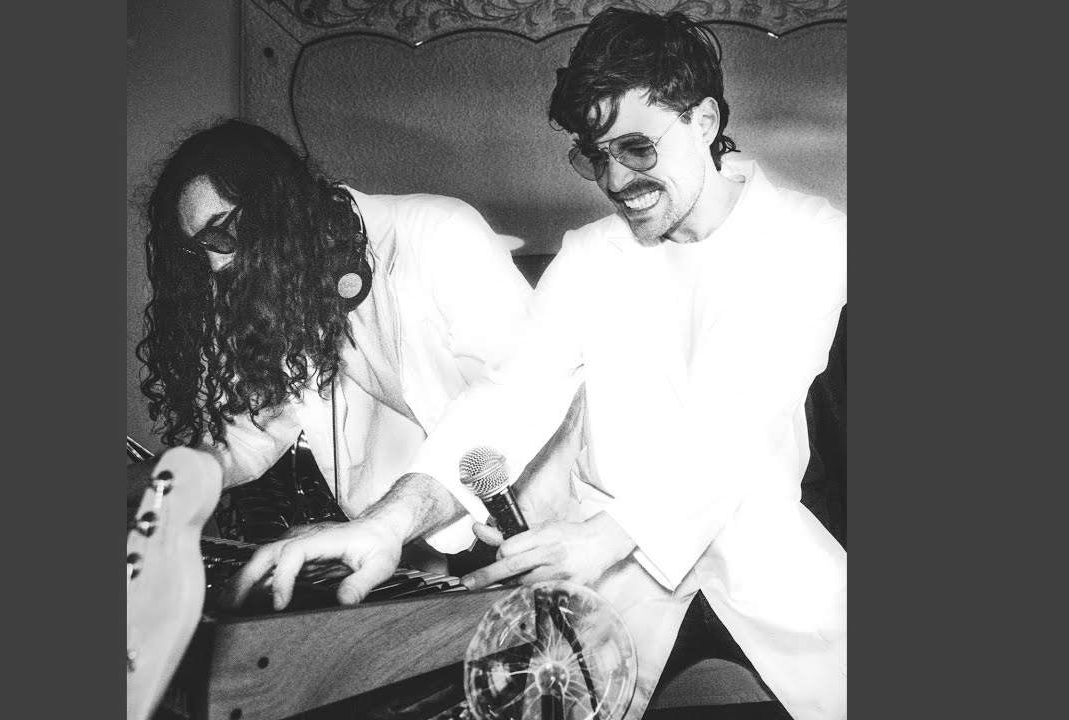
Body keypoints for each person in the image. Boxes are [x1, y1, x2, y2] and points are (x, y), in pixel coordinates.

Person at [222, 8, 846, 720]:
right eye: (595, 155)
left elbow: (741, 421)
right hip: (617, 593)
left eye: (637, 147)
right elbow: (507, 398)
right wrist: (389, 524)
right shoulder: (590, 255)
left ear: (703, 121)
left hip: (765, 577)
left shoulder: (812, 236)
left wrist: (600, 540)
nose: (616, 178)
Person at [127, 119, 581, 569]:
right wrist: (155, 482)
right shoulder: (291, 286)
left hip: (542, 514)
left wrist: (387, 522)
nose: (216, 264)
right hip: (437, 524)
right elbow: (253, 433)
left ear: (276, 205)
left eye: (220, 232)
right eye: (200, 248)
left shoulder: (440, 232)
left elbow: (516, 395)